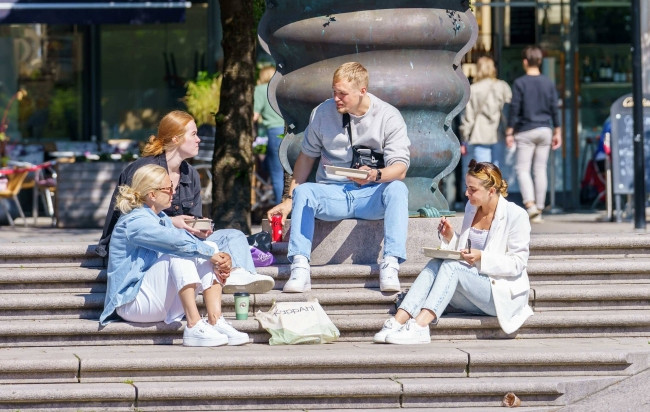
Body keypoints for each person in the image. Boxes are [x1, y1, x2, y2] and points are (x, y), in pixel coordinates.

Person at [266, 62, 411, 293]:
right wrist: (288, 199)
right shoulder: (322, 113)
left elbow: (400, 169)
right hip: (333, 192)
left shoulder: (388, 116)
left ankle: (391, 263)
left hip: (370, 193)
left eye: (342, 93)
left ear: (362, 91)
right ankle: (300, 266)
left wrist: (376, 174)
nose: (336, 98)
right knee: (303, 191)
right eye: (334, 92)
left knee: (398, 190)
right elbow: (306, 158)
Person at [96, 110, 274, 294]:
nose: (199, 140)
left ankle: (241, 275)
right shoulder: (144, 170)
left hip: (183, 242)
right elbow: (133, 223)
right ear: (176, 139)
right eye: (194, 134)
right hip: (146, 247)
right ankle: (234, 277)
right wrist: (173, 223)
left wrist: (199, 227)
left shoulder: (192, 174)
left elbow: (192, 221)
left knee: (234, 236)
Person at [373, 160, 533, 344]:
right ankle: (398, 321)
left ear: (491, 191)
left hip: (500, 295)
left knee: (452, 267)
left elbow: (517, 263)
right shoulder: (472, 208)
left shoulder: (516, 215)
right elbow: (465, 252)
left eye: (473, 190)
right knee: (436, 263)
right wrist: (451, 237)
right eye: (467, 187)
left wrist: (482, 257)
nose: (467, 193)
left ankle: (421, 326)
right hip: (472, 289)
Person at [99, 165, 249, 347]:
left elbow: (190, 243)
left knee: (208, 245)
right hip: (131, 304)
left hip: (159, 302)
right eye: (168, 188)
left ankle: (215, 320)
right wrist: (210, 254)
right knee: (180, 254)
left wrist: (218, 258)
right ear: (152, 195)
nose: (173, 191)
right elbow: (174, 243)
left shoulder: (160, 218)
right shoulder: (134, 221)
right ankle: (193, 325)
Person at [505, 45, 562, 223]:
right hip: (545, 129)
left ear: (524, 61)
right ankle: (539, 206)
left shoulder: (520, 83)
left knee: (522, 169)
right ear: (540, 61)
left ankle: (530, 205)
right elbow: (555, 108)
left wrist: (509, 131)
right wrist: (557, 131)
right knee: (540, 169)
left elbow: (515, 108)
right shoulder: (548, 82)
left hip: (526, 130)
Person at [459, 56, 512, 174]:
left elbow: (468, 117)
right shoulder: (502, 86)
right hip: (498, 134)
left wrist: (464, 138)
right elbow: (507, 112)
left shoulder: (472, 89)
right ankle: (497, 192)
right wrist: (509, 132)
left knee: (482, 173)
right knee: (498, 172)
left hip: (479, 135)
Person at [254, 65, 285, 204]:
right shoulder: (281, 89)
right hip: (289, 131)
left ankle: (281, 211)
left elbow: (254, 116)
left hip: (273, 132)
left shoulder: (261, 90)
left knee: (277, 175)